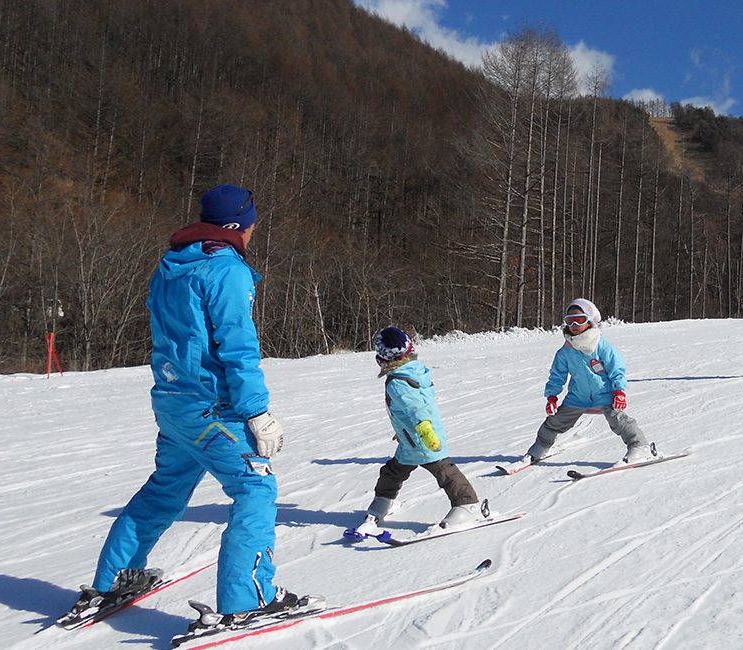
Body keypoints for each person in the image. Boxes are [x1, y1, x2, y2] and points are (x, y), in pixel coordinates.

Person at [66, 184, 299, 632]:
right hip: (213, 410)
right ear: (238, 226)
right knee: (255, 489)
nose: (254, 231)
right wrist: (257, 412)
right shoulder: (225, 271)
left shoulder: (172, 264)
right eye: (251, 223)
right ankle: (248, 600)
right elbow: (238, 348)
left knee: (164, 491)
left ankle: (113, 580)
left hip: (174, 405)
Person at [348, 327, 486, 539]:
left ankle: (468, 505)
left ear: (382, 359)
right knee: (392, 472)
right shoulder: (414, 372)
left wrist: (426, 432)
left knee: (444, 471)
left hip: (422, 439)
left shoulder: (397, 382)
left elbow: (416, 409)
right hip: (410, 440)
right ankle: (385, 501)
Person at [519, 298, 656, 467]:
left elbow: (617, 370)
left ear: (590, 321)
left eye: (580, 319)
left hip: (604, 393)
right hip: (578, 396)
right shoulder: (565, 351)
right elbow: (557, 375)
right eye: (569, 320)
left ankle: (640, 447)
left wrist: (619, 391)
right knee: (555, 421)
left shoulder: (602, 346)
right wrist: (552, 396)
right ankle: (541, 446)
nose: (574, 324)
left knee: (619, 420)